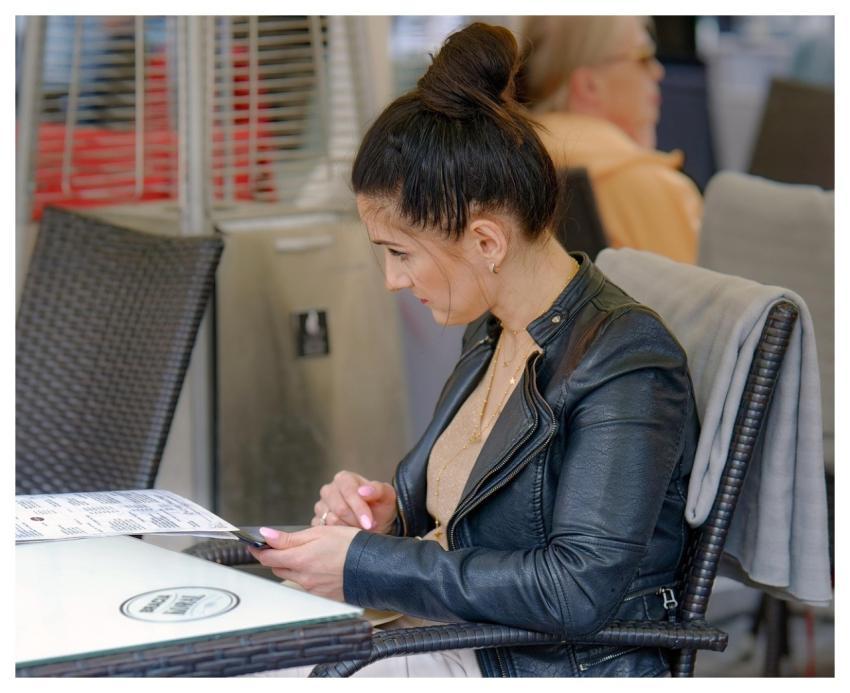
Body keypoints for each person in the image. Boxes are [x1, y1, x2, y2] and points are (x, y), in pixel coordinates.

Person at [247, 22, 699, 678]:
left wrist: (367, 564)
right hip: (454, 635)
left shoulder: (628, 363)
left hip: (539, 663)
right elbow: (476, 516)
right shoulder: (494, 331)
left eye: (401, 253)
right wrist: (387, 518)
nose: (392, 280)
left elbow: (575, 589)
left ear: (487, 242)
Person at [518, 16, 703, 264]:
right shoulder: (653, 186)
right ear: (589, 86)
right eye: (644, 57)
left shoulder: (499, 168)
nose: (658, 71)